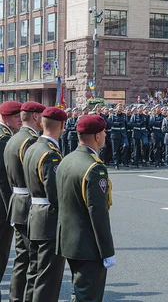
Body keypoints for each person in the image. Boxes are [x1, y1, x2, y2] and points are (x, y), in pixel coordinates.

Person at [56, 115, 115, 302]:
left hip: (68, 240)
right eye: (103, 132)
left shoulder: (67, 159)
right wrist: (107, 251)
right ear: (97, 136)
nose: (105, 135)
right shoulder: (94, 168)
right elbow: (97, 213)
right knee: (89, 296)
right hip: (88, 246)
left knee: (80, 293)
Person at [22, 107, 68, 302]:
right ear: (63, 126)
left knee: (33, 273)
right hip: (49, 219)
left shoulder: (32, 146)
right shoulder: (51, 154)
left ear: (41, 123)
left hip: (34, 214)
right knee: (47, 278)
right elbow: (55, 194)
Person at [4, 101, 45, 302]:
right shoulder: (29, 141)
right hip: (29, 203)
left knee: (22, 259)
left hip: (17, 201)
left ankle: (15, 298)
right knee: (32, 260)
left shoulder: (14, 138)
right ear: (36, 117)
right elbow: (33, 176)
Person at [0, 101, 22, 299]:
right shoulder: (4, 139)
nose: (20, 120)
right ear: (5, 118)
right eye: (16, 116)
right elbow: (4, 181)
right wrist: (11, 211)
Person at [108, 104, 128, 170]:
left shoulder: (124, 115)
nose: (120, 108)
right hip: (115, 134)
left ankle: (122, 159)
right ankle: (116, 164)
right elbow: (108, 123)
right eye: (119, 107)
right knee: (115, 150)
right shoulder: (112, 115)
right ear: (116, 108)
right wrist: (116, 124)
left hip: (123, 134)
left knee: (126, 146)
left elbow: (126, 123)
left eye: (121, 107)